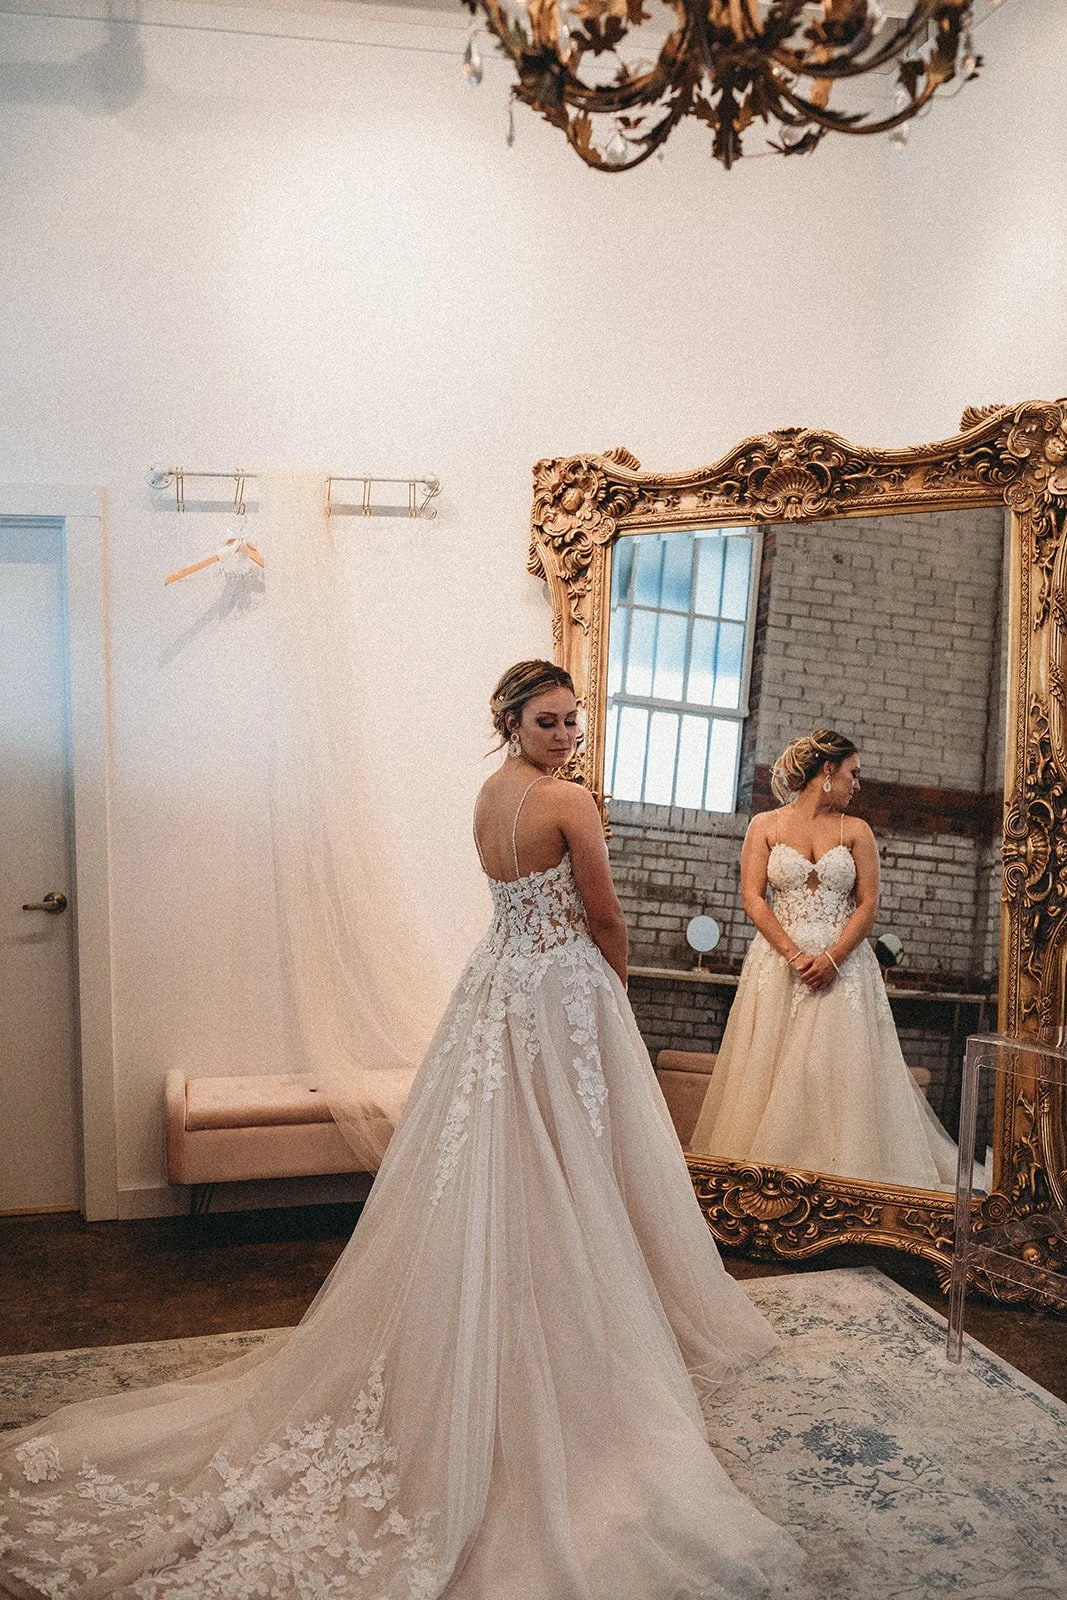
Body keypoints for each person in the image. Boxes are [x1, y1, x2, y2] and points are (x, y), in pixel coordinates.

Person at [0, 661, 801, 1600]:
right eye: (549, 722)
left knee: (515, 1156)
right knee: (574, 1154)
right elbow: (605, 914)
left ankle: (547, 1297)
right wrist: (611, 988)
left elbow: (511, 901)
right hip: (561, 989)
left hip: (497, 987)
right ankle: (575, 1325)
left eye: (574, 722)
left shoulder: (487, 795)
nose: (567, 736)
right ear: (510, 720)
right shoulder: (566, 802)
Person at [688, 729, 959, 1189]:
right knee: (770, 1067)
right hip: (778, 962)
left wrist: (832, 958)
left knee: (835, 1070)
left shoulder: (857, 831)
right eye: (854, 773)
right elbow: (753, 899)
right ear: (828, 771)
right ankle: (761, 1185)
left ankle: (839, 1182)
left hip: (844, 966)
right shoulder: (765, 826)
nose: (859, 784)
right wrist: (794, 954)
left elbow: (868, 904)